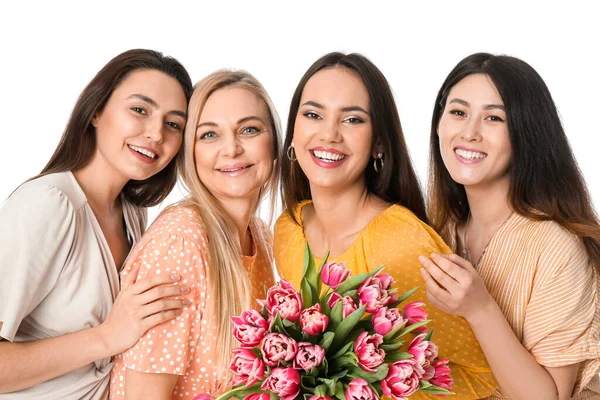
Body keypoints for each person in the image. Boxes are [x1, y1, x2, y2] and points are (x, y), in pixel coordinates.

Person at [274, 52, 497, 399]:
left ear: (379, 142)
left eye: (352, 120)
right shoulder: (288, 229)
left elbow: (482, 376)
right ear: (293, 131)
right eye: (313, 114)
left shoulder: (401, 243)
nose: (329, 134)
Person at [0, 49, 194, 399]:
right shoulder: (49, 205)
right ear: (96, 111)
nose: (155, 133)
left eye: (173, 124)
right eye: (139, 110)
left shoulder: (133, 213)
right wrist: (107, 336)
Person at [420, 52, 600, 399]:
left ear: (525, 135)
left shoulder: (556, 245)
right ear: (439, 124)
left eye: (494, 118)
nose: (470, 132)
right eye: (458, 112)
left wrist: (480, 309)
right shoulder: (438, 234)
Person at [109, 70, 281, 400]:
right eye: (209, 135)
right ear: (191, 152)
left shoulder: (260, 236)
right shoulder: (182, 242)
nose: (231, 149)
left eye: (248, 130)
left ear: (273, 141)